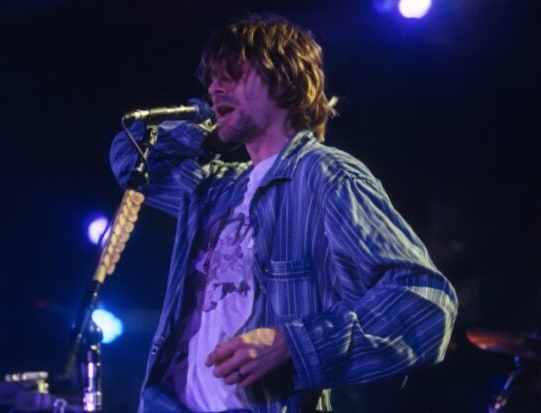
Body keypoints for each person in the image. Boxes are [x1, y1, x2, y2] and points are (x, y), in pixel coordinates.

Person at [110, 14, 458, 413]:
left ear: (283, 80)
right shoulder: (217, 188)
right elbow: (129, 157)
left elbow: (426, 304)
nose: (215, 87)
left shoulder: (324, 175)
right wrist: (208, 124)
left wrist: (292, 343)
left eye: (233, 75)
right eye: (213, 79)